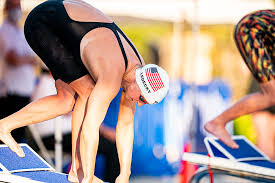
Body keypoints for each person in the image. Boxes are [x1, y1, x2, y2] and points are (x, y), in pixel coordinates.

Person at [0, 0, 170, 183]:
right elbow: (90, 127)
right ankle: (79, 172)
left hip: (67, 28)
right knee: (84, 94)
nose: (140, 103)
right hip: (45, 22)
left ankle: (75, 170)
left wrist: (124, 175)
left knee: (67, 101)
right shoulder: (112, 75)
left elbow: (126, 126)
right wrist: (88, 177)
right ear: (139, 83)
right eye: (143, 98)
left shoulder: (136, 73)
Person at [205, 9, 275, 149]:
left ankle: (218, 122)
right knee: (272, 95)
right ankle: (217, 123)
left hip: (259, 33)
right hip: (251, 31)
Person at [0, 0, 37, 143]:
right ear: (6, 8)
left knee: (18, 137)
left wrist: (26, 59)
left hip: (24, 93)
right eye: (14, 6)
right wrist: (28, 60)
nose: (17, 10)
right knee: (8, 139)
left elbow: (32, 59)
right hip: (11, 94)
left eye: (18, 6)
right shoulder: (4, 31)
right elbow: (13, 59)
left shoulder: (20, 31)